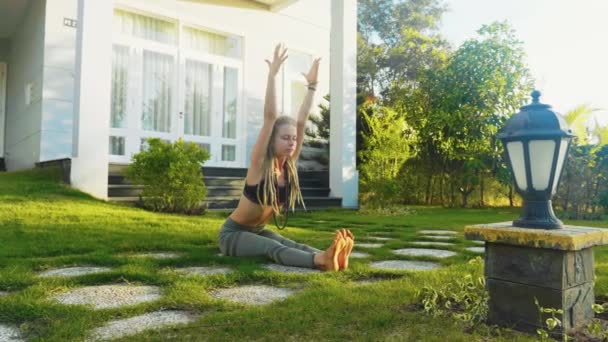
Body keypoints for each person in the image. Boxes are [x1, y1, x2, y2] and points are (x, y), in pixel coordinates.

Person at [217, 43, 354, 271]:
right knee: (274, 249)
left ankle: (333, 257)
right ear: (272, 140)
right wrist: (272, 75)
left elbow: (301, 121)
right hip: (233, 235)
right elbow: (270, 117)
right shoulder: (259, 164)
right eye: (285, 138)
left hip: (256, 231)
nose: (292, 142)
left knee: (289, 243)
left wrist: (312, 86)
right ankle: (320, 261)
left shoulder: (288, 166)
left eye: (293, 139)